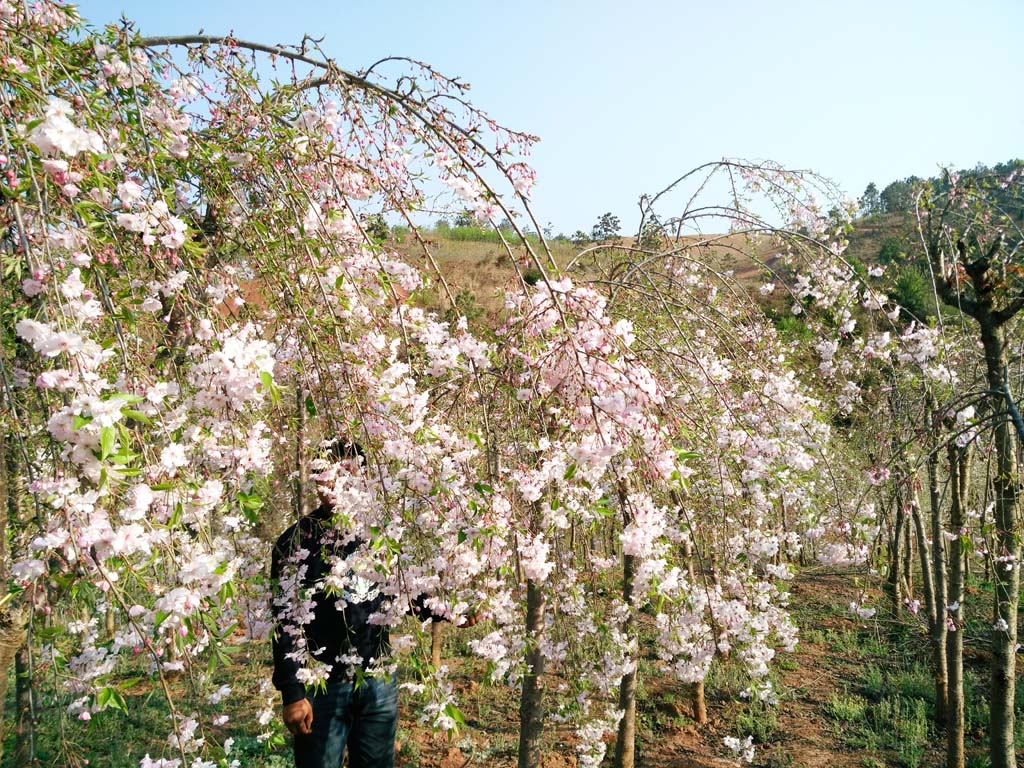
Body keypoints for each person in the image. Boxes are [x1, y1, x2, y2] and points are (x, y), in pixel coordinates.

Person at [270, 439, 466, 768]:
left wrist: (452, 613)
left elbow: (409, 594)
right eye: (325, 475)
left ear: (363, 478)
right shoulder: (296, 540)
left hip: (378, 679)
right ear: (316, 478)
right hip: (322, 684)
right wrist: (292, 692)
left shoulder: (380, 533)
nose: (335, 484)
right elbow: (285, 620)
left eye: (348, 473)